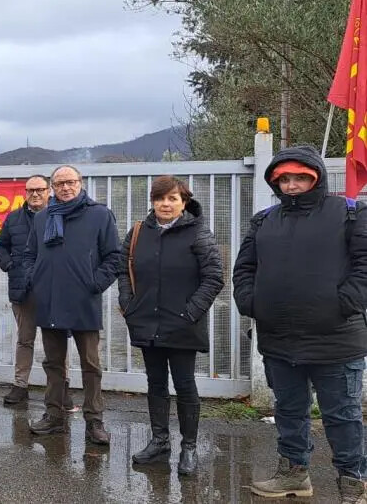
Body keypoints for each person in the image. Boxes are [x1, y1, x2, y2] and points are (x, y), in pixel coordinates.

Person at [234, 145, 367, 501]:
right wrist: (251, 302)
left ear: (317, 178)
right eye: (285, 179)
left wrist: (346, 303)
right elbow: (244, 268)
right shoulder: (263, 221)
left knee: (343, 417)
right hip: (279, 340)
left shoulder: (351, 214)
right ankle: (294, 475)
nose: (292, 185)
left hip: (336, 340)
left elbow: (364, 264)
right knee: (289, 412)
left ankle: (353, 484)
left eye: (300, 178)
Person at [117, 175, 223, 476]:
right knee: (156, 384)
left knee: (185, 385)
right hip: (147, 321)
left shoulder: (198, 232)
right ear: (153, 201)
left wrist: (190, 313)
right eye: (160, 198)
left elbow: (214, 276)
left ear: (183, 202)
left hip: (182, 325)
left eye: (172, 198)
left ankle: (188, 447)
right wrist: (128, 303)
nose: (165, 204)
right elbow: (124, 268)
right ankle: (159, 441)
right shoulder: (139, 231)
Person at [23, 165, 121, 445]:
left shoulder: (99, 215)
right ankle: (54, 415)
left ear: (80, 183)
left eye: (70, 182)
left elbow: (114, 257)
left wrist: (94, 284)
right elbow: (30, 255)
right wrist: (36, 280)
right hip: (50, 299)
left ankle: (94, 421)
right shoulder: (43, 218)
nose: (65, 187)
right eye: (59, 183)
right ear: (52, 187)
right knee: (53, 363)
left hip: (83, 301)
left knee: (91, 364)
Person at [0, 174, 75, 409]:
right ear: (25, 193)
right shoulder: (14, 219)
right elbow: (0, 245)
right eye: (30, 190)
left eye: (40, 189)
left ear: (49, 191)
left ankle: (63, 388)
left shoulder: (61, 216)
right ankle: (20, 385)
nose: (35, 194)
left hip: (55, 291)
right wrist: (9, 265)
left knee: (59, 341)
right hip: (24, 290)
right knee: (25, 339)